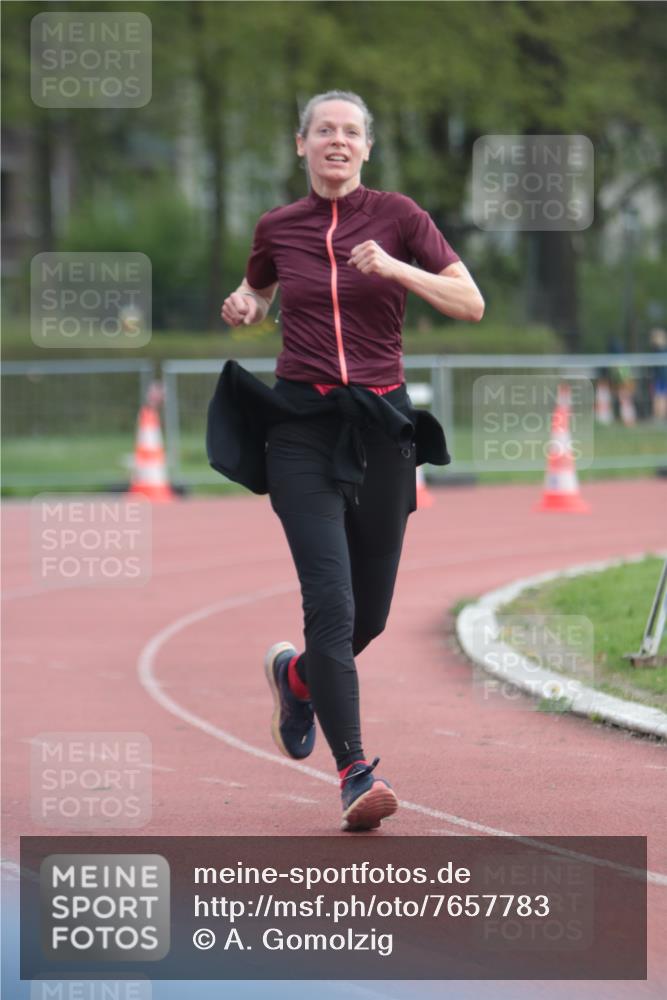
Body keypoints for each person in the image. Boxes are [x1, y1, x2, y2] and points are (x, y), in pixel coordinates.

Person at [219, 90, 484, 832]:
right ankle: (355, 772)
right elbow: (259, 289)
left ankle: (296, 678)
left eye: (350, 132)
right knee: (329, 605)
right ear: (300, 144)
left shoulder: (399, 218)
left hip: (380, 428)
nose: (336, 141)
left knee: (367, 615)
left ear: (367, 148)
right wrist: (244, 305)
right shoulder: (277, 226)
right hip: (299, 428)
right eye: (323, 130)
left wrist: (398, 269)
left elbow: (469, 302)